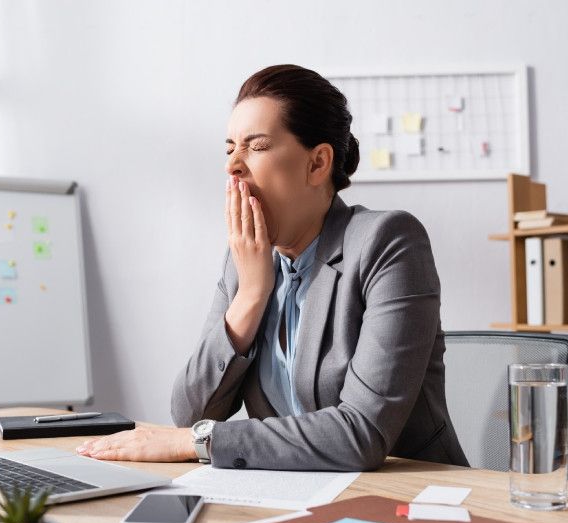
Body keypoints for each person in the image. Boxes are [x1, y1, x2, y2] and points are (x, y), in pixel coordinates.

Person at [77, 64, 468, 471]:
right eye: (230, 148)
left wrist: (199, 442)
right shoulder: (245, 261)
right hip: (290, 492)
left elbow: (361, 434)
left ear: (317, 164)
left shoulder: (388, 241)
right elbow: (189, 411)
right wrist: (250, 295)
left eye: (257, 146)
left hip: (409, 499)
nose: (233, 165)